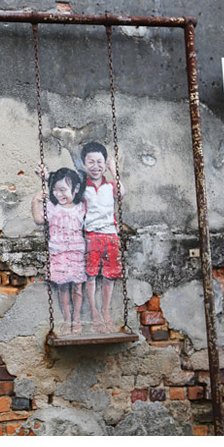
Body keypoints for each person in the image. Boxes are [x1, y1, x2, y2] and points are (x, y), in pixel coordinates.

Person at [32, 166, 87, 335]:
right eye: (54, 190)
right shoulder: (52, 206)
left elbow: (85, 182)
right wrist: (35, 201)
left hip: (76, 252)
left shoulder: (81, 206)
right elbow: (39, 220)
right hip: (58, 253)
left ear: (76, 189)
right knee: (63, 288)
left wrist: (49, 176)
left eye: (63, 190)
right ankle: (67, 319)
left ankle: (77, 319)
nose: (58, 194)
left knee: (77, 287)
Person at [81, 142, 126, 333]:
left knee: (110, 275)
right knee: (90, 275)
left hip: (111, 235)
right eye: (91, 162)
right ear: (84, 165)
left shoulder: (110, 186)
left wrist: (113, 169)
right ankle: (93, 312)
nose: (95, 166)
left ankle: (106, 311)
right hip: (91, 235)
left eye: (99, 161)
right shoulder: (82, 187)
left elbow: (122, 193)